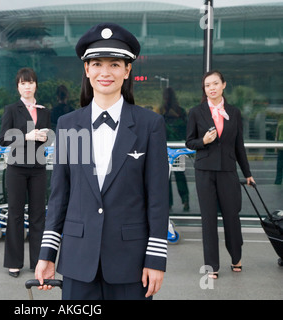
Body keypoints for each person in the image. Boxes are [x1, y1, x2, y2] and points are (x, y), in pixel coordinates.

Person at [35, 23, 169, 300]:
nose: (105, 72)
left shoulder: (150, 124)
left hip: (131, 263)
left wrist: (156, 258)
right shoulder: (68, 124)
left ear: (127, 70)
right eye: (96, 64)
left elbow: (157, 197)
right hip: (77, 260)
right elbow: (59, 195)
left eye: (115, 64)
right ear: (86, 70)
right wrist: (47, 254)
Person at [186, 70, 255, 279]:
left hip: (228, 172)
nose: (212, 88)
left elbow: (239, 146)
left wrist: (247, 173)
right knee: (208, 220)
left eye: (215, 83)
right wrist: (203, 142)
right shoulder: (196, 112)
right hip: (204, 172)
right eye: (207, 85)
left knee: (232, 217)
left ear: (223, 85)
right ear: (204, 89)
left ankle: (236, 257)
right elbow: (189, 142)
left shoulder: (234, 112)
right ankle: (211, 265)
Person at [0, 67, 51, 278]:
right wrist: (26, 136)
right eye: (23, 83)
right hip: (17, 168)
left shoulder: (45, 110)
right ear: (18, 87)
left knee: (39, 215)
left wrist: (46, 136)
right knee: (16, 214)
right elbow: (3, 139)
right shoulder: (12, 109)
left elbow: (48, 137)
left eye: (30, 82)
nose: (27, 86)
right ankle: (14, 262)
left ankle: (38, 261)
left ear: (35, 85)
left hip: (38, 168)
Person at [160, 87, 190, 211]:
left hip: (164, 147)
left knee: (166, 176)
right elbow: (186, 129)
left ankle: (168, 203)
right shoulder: (180, 111)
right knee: (180, 174)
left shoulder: (162, 112)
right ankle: (185, 200)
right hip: (178, 147)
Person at [275, 118, 283, 185]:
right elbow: (277, 133)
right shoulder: (280, 120)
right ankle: (278, 181)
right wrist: (276, 144)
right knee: (279, 165)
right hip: (281, 144)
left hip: (280, 144)